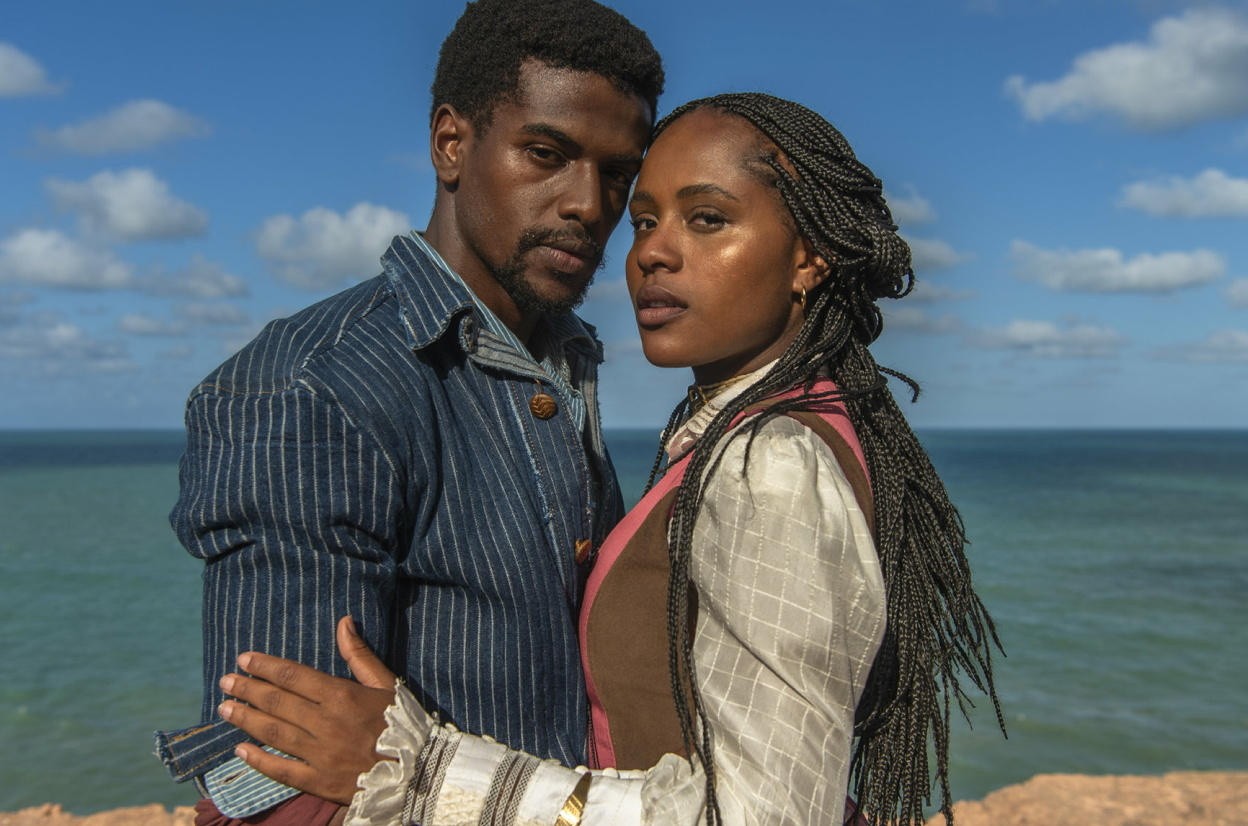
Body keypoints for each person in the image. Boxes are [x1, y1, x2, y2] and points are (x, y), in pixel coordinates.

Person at [214, 92, 1005, 825]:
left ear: (809, 259)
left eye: (707, 219)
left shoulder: (772, 463)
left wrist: (427, 770)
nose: (653, 251)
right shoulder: (742, 432)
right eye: (646, 220)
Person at [152, 1, 664, 822]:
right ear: (451, 143)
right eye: (547, 154)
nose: (588, 204)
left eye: (616, 173)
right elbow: (278, 784)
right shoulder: (317, 389)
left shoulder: (560, 359)